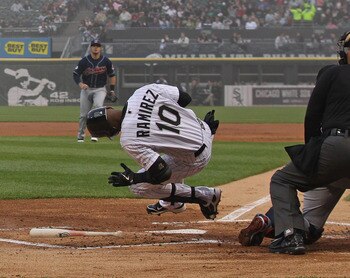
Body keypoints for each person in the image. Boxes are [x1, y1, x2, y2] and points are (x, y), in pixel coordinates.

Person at [239, 31, 350, 255]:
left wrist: (312, 155)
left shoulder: (332, 73)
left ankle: (286, 233)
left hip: (335, 153)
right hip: (336, 156)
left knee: (283, 181)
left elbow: (312, 117)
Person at [86, 83, 222, 220]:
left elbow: (162, 173)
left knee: (137, 187)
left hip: (196, 158)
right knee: (166, 149)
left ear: (112, 129)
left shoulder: (128, 138)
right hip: (204, 127)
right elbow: (185, 98)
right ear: (109, 108)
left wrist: (133, 178)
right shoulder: (142, 92)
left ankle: (206, 195)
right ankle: (173, 203)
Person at [73, 39, 117, 143]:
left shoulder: (106, 61)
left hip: (100, 89)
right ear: (90, 47)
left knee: (98, 109)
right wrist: (80, 84)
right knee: (84, 115)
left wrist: (112, 91)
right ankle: (80, 136)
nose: (96, 47)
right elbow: (75, 74)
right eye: (93, 46)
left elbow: (112, 75)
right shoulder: (84, 61)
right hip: (86, 90)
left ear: (100, 48)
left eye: (97, 46)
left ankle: (95, 134)